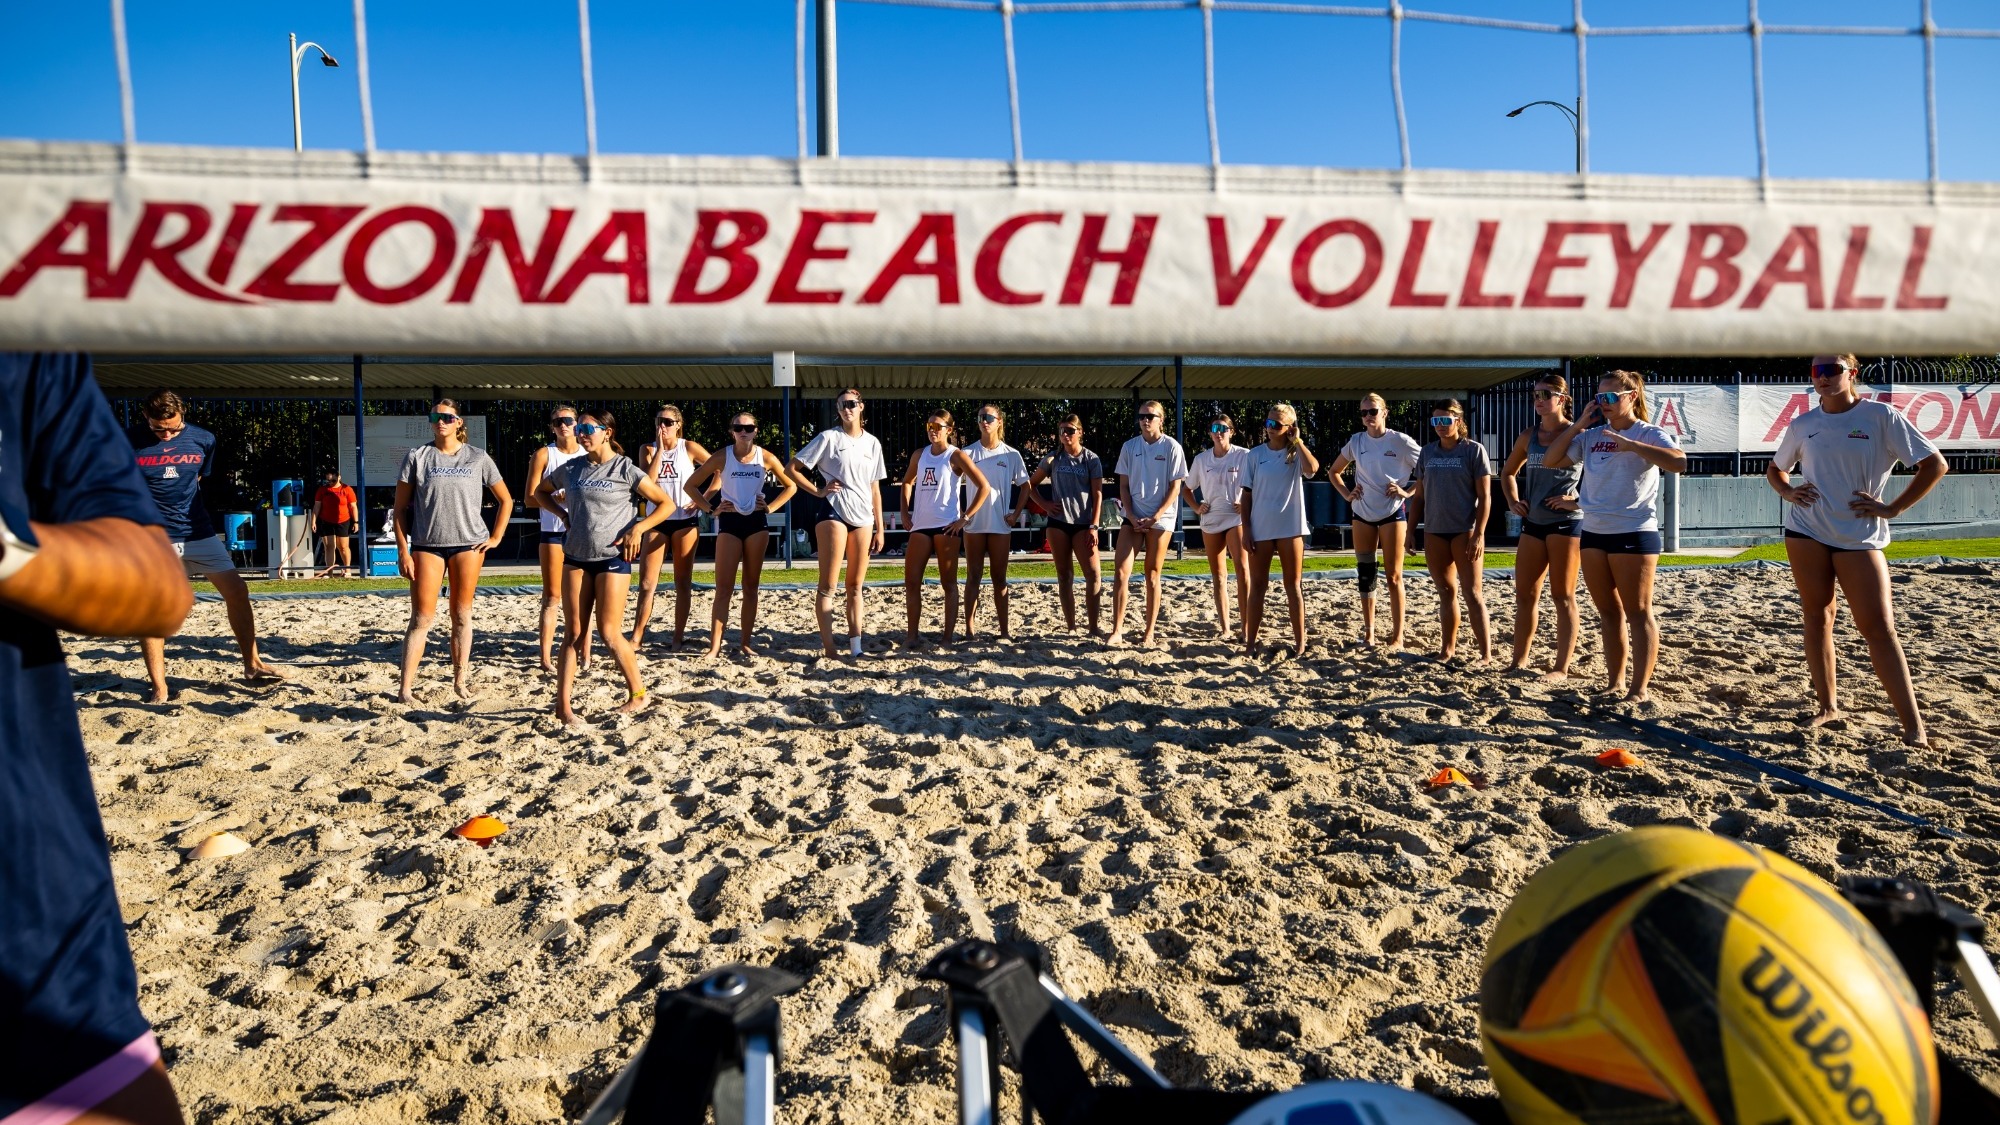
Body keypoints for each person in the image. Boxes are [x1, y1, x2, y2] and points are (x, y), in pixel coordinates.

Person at [3, 351, 195, 1125]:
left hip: (26, 920)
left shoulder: (25, 330)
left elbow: (156, 585)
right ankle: (159, 686)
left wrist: (8, 553)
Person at [1767, 353, 1947, 746]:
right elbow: (1775, 468)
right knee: (1817, 617)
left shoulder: (1881, 416)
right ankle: (1828, 707)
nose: (1823, 377)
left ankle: (1913, 727)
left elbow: (1934, 465)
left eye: (1832, 370)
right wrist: (1786, 491)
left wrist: (1893, 508)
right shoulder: (1803, 423)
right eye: (1816, 371)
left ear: (1852, 374)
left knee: (1879, 629)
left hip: (1859, 536)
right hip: (1806, 531)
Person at [128, 389, 285, 703]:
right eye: (160, 429)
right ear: (146, 418)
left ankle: (252, 665)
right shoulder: (126, 441)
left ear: (183, 415)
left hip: (198, 533)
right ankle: (159, 687)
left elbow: (198, 479)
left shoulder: (203, 440)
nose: (168, 434)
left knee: (238, 592)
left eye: (174, 427)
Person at [1544, 370, 1687, 704]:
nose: (1603, 403)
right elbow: (1551, 460)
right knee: (1608, 612)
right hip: (1594, 530)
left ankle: (1639, 689)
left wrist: (1632, 445)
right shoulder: (1591, 435)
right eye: (1599, 398)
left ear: (1631, 397)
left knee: (1638, 612)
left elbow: (1680, 463)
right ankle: (1615, 682)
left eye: (1610, 397)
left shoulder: (1649, 433)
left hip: (1634, 530)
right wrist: (1579, 424)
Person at [535, 409, 676, 727]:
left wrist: (638, 528)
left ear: (607, 432)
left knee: (610, 633)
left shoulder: (625, 468)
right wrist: (564, 515)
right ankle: (563, 706)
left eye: (587, 427)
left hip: (612, 558)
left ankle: (638, 693)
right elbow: (539, 493)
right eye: (579, 427)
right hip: (575, 556)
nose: (581, 432)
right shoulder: (571, 468)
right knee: (573, 632)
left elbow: (666, 504)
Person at [393, 398, 514, 703]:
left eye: (447, 416)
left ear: (459, 422)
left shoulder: (477, 457)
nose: (441, 421)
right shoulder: (417, 456)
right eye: (436, 416)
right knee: (421, 618)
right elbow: (399, 510)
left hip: (468, 544)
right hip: (426, 545)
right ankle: (405, 689)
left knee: (461, 615)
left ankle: (460, 681)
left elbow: (506, 500)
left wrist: (496, 537)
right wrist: (403, 552)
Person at [683, 412, 796, 658]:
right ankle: (714, 647)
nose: (743, 431)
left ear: (756, 430)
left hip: (756, 523)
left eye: (748, 427)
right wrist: (711, 509)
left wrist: (770, 507)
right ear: (732, 431)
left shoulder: (765, 457)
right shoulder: (722, 456)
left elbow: (791, 485)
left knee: (750, 587)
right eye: (738, 427)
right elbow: (690, 486)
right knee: (723, 588)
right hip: (730, 522)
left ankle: (746, 643)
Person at [789, 390, 887, 658]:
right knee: (828, 586)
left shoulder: (873, 444)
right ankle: (830, 649)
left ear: (861, 407)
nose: (847, 409)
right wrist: (819, 491)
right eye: (842, 405)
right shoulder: (829, 437)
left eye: (852, 404)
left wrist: (880, 527)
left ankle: (856, 648)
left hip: (864, 518)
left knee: (855, 586)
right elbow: (792, 469)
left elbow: (875, 489)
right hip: (833, 511)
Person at [1500, 374, 1583, 680]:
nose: (1538, 399)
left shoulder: (1579, 433)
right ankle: (1518, 662)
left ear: (1562, 399)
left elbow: (1605, 476)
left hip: (1566, 524)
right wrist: (1513, 501)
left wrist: (1578, 500)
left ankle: (1561, 668)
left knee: (1563, 596)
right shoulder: (1528, 435)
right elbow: (1507, 472)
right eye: (1535, 394)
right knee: (1525, 596)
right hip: (1534, 523)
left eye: (1546, 394)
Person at [1400, 400, 1493, 663]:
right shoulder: (1428, 453)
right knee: (1445, 592)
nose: (1440, 426)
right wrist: (1410, 531)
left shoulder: (1473, 451)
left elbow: (1485, 496)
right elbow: (1418, 496)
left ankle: (1485, 654)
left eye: (1445, 420)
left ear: (1458, 421)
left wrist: (1479, 534)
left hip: (1464, 530)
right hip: (1434, 530)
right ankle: (1447, 650)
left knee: (1473, 593)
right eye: (1435, 421)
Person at [1329, 393, 1422, 648]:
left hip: (1393, 513)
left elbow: (1427, 469)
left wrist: (1407, 492)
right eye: (1364, 412)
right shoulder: (1356, 441)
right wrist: (1348, 494)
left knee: (1393, 576)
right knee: (1366, 574)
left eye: (1373, 411)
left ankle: (1398, 636)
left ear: (1385, 412)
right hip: (1362, 513)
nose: (1368, 416)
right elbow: (1334, 471)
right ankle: (1369, 633)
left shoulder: (1400, 441)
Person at [897, 409, 991, 648]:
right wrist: (905, 512)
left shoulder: (955, 455)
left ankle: (947, 638)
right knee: (911, 581)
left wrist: (965, 518)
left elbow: (984, 487)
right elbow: (907, 481)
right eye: (929, 426)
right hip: (921, 525)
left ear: (949, 430)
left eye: (938, 426)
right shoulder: (919, 455)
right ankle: (911, 636)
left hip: (946, 527)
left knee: (948, 583)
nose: (933, 431)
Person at [1238, 403, 1320, 658]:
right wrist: (1246, 528)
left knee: (1293, 585)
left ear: (1289, 428)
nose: (1269, 428)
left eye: (1276, 424)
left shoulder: (1295, 455)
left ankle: (1300, 643)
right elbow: (1246, 495)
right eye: (1268, 423)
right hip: (1261, 527)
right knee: (1258, 586)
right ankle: (1251, 642)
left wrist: (1299, 442)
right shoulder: (1254, 455)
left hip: (1290, 527)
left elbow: (1313, 469)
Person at [629, 404, 711, 651]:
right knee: (646, 584)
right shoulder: (648, 449)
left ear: (678, 425)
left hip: (685, 521)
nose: (662, 426)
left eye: (667, 422)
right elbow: (648, 482)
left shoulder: (689, 448)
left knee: (682, 582)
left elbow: (720, 469)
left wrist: (702, 500)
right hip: (656, 521)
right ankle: (637, 637)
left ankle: (677, 637)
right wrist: (660, 450)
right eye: (658, 422)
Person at [1014, 416, 1104, 636]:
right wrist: (1044, 504)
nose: (1065, 434)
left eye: (1070, 430)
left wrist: (1094, 525)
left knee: (1093, 575)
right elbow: (1028, 485)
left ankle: (1093, 628)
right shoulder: (1053, 458)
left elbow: (1098, 495)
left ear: (1080, 432)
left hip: (1083, 523)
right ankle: (1071, 627)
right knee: (1064, 576)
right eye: (1062, 430)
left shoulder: (1091, 459)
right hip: (1058, 523)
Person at [1110, 401, 1188, 647]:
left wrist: (1156, 516)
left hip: (1160, 517)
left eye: (1151, 416)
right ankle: (1117, 630)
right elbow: (1123, 485)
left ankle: (1149, 631)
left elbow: (1176, 487)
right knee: (1121, 571)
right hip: (1133, 515)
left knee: (1152, 574)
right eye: (1142, 415)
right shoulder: (1129, 446)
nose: (1146, 420)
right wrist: (1131, 515)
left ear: (1161, 419)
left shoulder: (1172, 447)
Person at [523, 404, 586, 674]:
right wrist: (554, 500)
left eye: (568, 420)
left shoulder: (589, 452)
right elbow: (529, 498)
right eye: (557, 421)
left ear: (576, 424)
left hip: (583, 532)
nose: (563, 425)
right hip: (553, 531)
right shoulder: (544, 454)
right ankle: (546, 658)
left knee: (584, 597)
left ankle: (585, 653)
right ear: (552, 427)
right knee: (552, 596)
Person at [959, 404, 1028, 642]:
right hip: (974, 526)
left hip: (1000, 525)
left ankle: (1005, 631)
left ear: (999, 421)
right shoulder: (967, 453)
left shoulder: (1011, 454)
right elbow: (949, 482)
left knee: (1000, 579)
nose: (983, 420)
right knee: (973, 577)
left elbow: (1026, 486)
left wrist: (1016, 514)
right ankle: (969, 630)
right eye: (980, 417)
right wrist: (960, 513)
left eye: (988, 417)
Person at [1187, 413, 1251, 640]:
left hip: (1236, 518)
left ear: (1231, 431)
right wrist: (1196, 506)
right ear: (1210, 432)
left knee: (1242, 570)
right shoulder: (1201, 459)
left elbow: (1258, 482)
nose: (1219, 432)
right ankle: (1225, 628)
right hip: (1211, 519)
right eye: (1215, 427)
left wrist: (1244, 502)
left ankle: (1246, 626)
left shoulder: (1244, 455)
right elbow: (1186, 487)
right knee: (1219, 576)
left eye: (1223, 428)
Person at [312, 467, 359, 578]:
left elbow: (353, 506)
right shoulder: (322, 490)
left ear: (339, 477)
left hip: (343, 520)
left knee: (343, 547)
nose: (331, 483)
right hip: (326, 520)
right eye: (328, 481)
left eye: (333, 481)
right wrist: (313, 521)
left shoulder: (347, 489)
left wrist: (356, 522)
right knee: (329, 546)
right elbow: (317, 506)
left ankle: (347, 570)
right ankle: (329, 572)